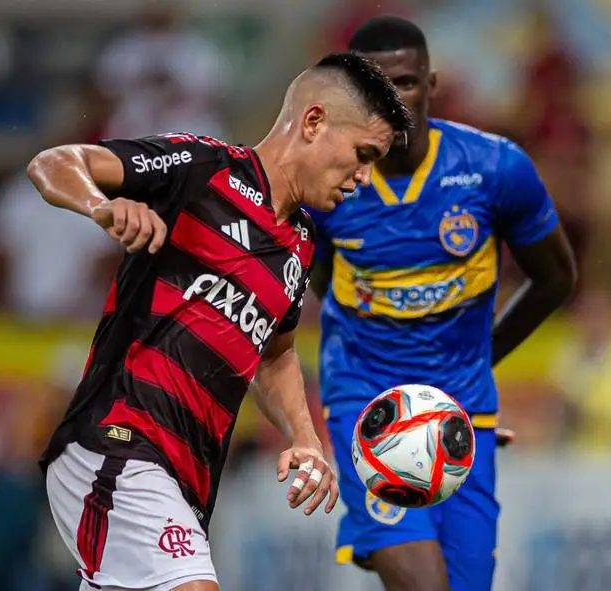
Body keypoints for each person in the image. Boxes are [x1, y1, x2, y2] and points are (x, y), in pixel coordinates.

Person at [28, 51, 411, 591]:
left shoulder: (300, 247)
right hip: (118, 442)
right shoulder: (203, 169)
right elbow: (55, 163)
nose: (364, 178)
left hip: (188, 478)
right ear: (314, 121)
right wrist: (102, 207)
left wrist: (304, 437)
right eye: (363, 154)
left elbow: (273, 354)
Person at [309, 17, 577, 591]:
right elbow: (319, 280)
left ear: (431, 84)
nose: (391, 100)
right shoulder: (326, 181)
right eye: (372, 87)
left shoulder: (494, 169)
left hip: (465, 407)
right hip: (368, 401)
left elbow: (556, 278)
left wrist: (483, 359)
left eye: (404, 83)